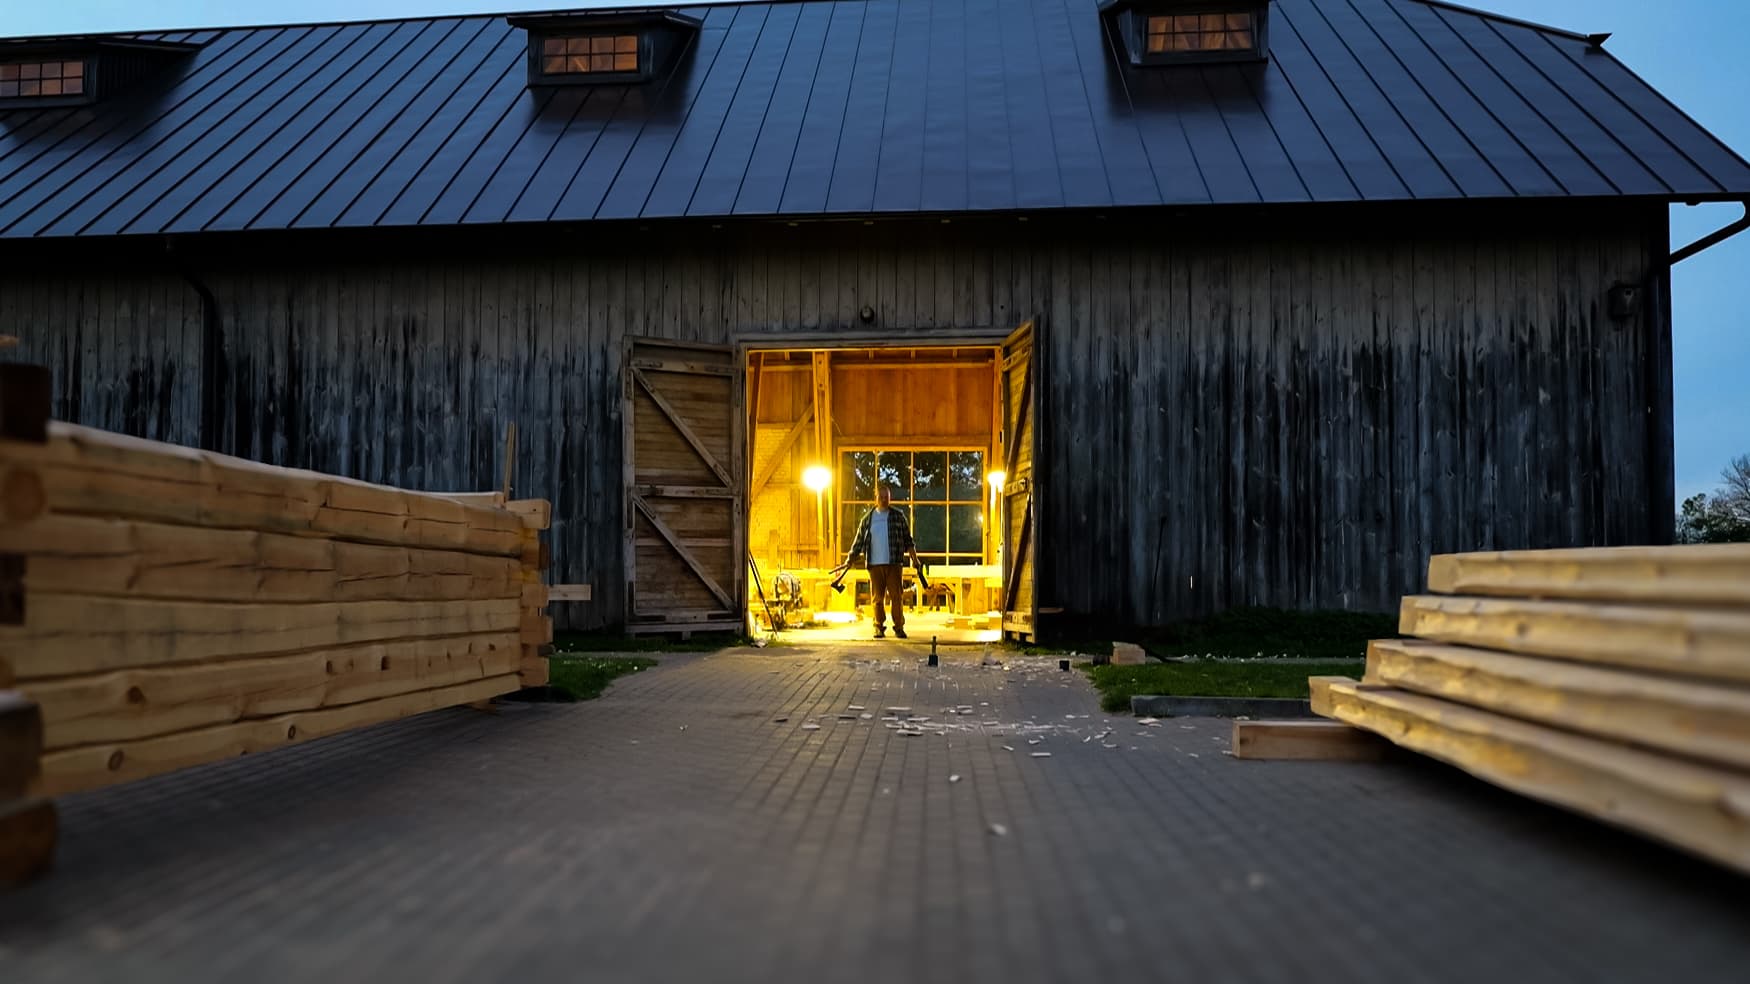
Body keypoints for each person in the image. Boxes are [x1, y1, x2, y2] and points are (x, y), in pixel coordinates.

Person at [844, 485, 920, 639]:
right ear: (876, 498)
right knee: (877, 598)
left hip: (894, 563)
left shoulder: (898, 517)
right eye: (881, 497)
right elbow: (858, 542)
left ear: (890, 498)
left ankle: (899, 627)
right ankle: (878, 626)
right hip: (874, 564)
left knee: (897, 597)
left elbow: (908, 540)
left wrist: (915, 559)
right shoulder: (868, 519)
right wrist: (849, 559)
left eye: (887, 497)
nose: (884, 500)